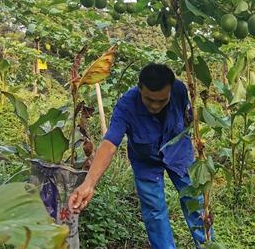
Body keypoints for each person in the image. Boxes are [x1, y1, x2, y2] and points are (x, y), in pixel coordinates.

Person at [68, 63, 210, 249]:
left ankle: (207, 244)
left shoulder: (180, 90)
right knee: (154, 211)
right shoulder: (126, 105)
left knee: (195, 201)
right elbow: (110, 144)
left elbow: (189, 116)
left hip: (178, 153)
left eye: (162, 100)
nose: (155, 105)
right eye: (149, 99)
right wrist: (89, 183)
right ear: (139, 88)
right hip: (145, 161)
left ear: (170, 91)